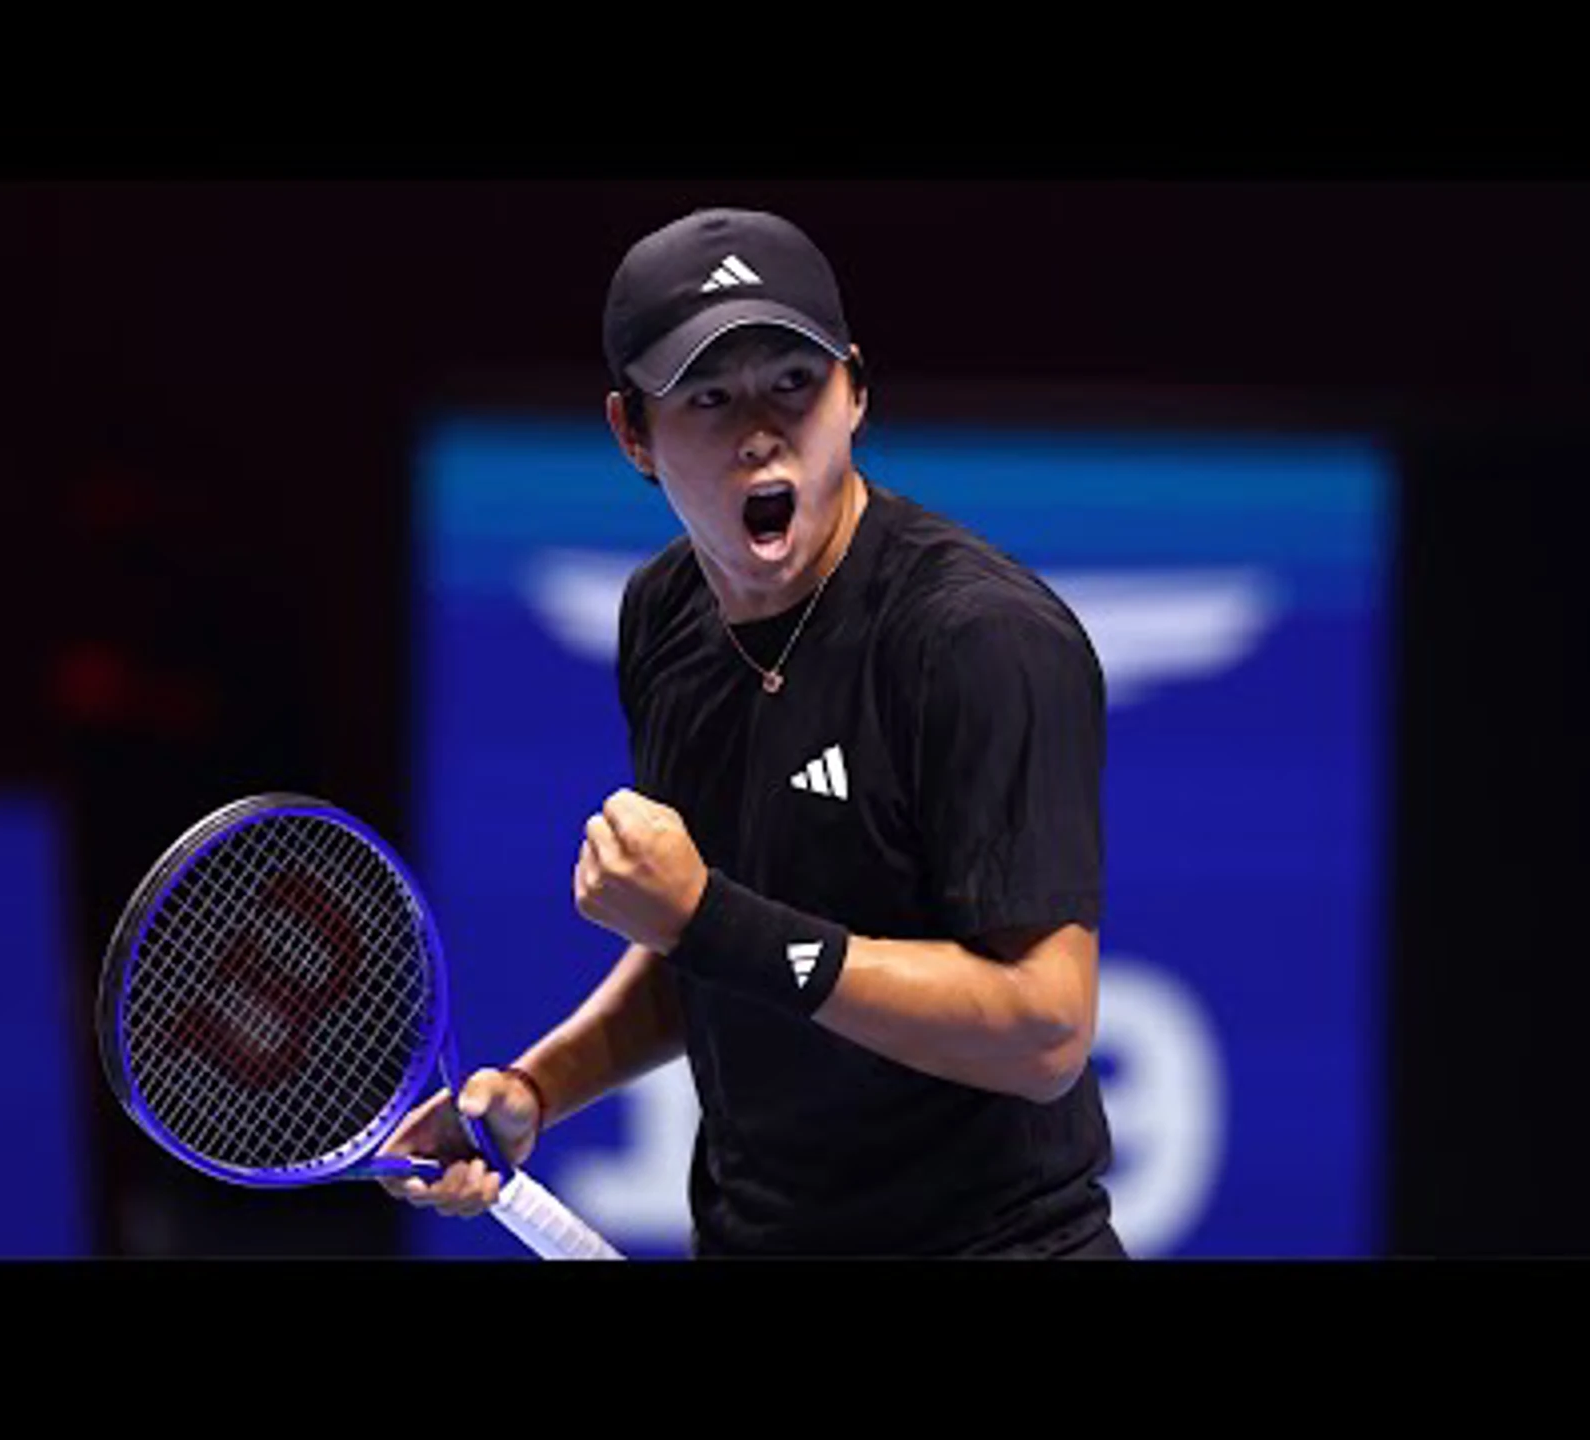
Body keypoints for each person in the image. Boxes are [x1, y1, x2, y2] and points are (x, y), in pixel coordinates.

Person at [381, 207, 1122, 1258]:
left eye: (794, 383)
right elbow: (709, 952)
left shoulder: (976, 642)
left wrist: (709, 919)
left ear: (856, 391)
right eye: (709, 396)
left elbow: (1045, 1032)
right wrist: (536, 1090)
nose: (761, 431)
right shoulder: (664, 618)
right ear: (632, 433)